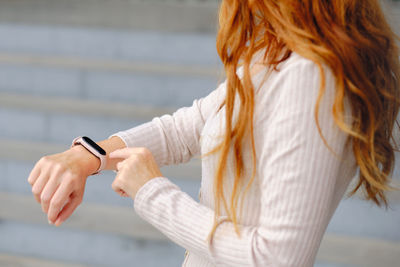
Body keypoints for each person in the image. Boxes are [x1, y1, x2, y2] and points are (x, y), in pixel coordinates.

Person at [27, 0, 399, 266]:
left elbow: (279, 258)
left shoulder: (311, 76)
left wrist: (152, 191)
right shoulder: (273, 56)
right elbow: (184, 129)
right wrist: (88, 155)